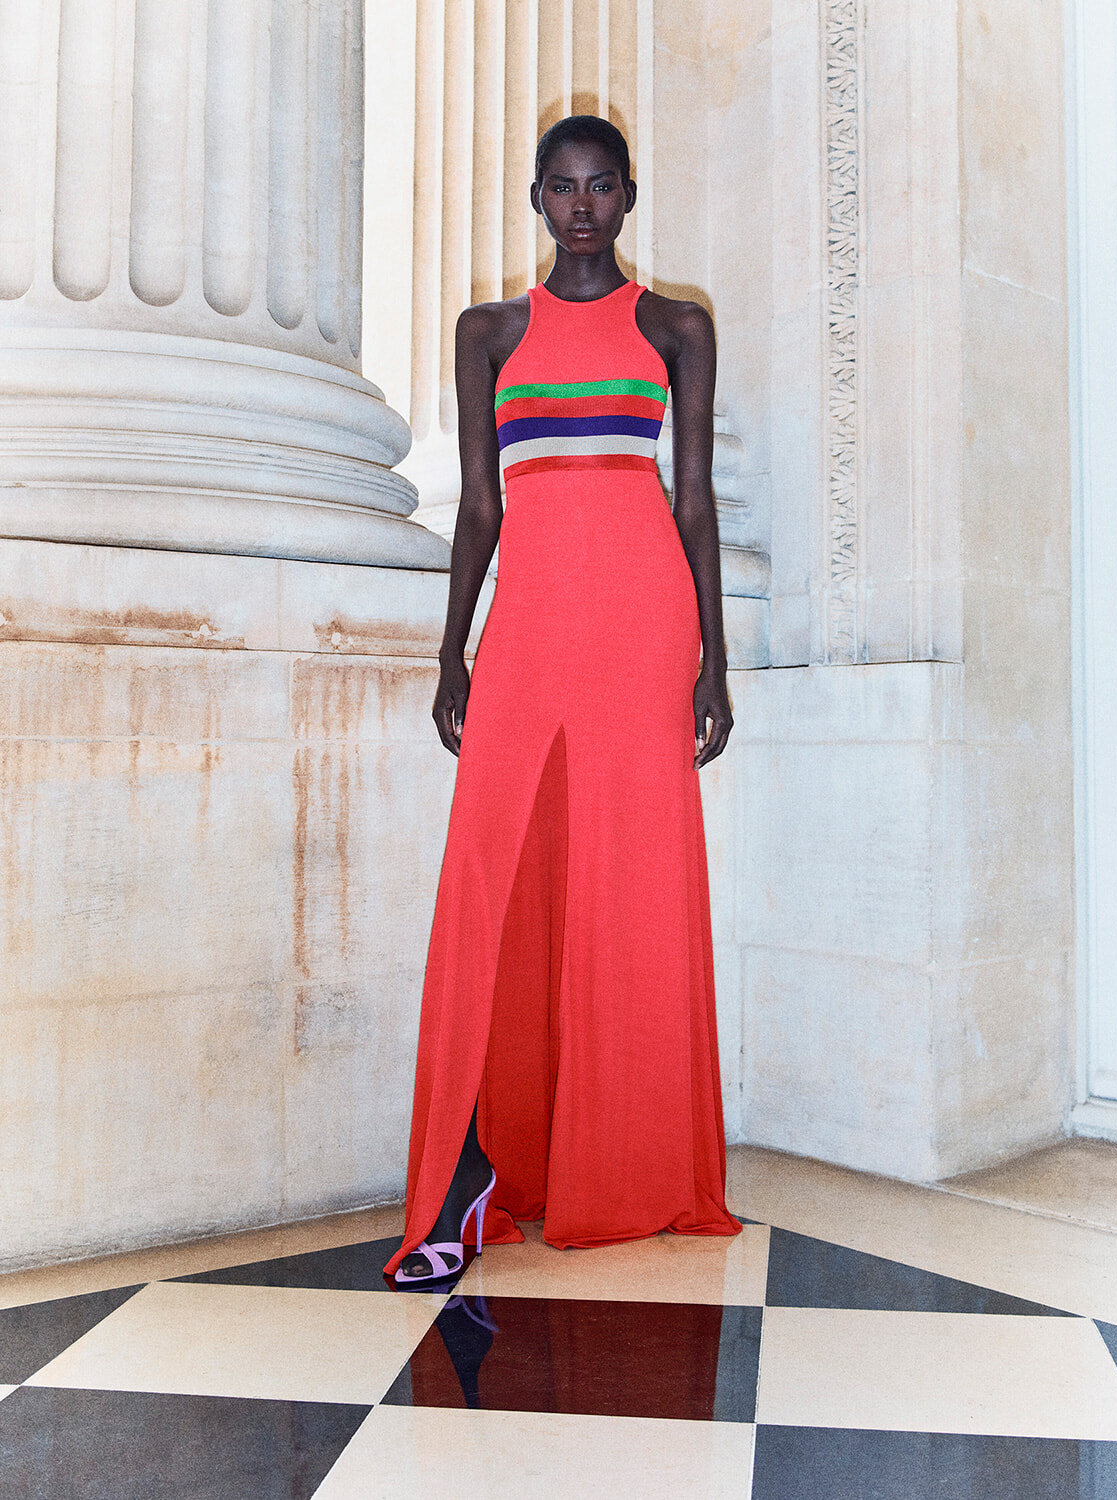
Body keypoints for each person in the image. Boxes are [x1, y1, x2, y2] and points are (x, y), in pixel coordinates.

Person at [384, 115, 740, 1286]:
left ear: (628, 196)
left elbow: (692, 500)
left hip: (644, 624)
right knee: (496, 872)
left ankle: (625, 1168)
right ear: (537, 198)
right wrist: (452, 656)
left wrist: (715, 660)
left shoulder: (676, 327)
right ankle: (470, 1169)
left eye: (601, 187)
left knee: (628, 879)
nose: (581, 204)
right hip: (529, 622)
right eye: (561, 187)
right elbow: (479, 508)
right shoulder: (488, 332)